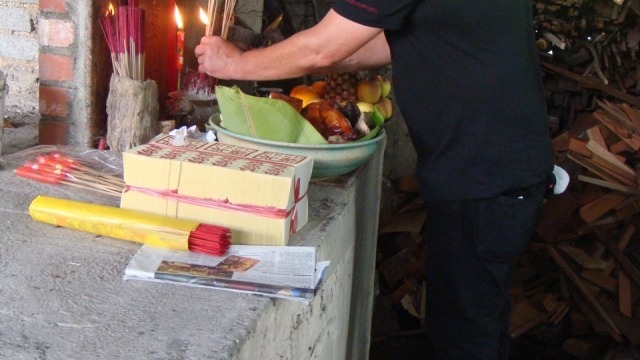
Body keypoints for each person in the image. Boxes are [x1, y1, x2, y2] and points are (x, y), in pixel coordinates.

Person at [195, 1, 554, 359]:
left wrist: (234, 64)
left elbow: (323, 48)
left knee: (464, 335)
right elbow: (372, 43)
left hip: (482, 175)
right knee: (478, 320)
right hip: (497, 168)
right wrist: (268, 57)